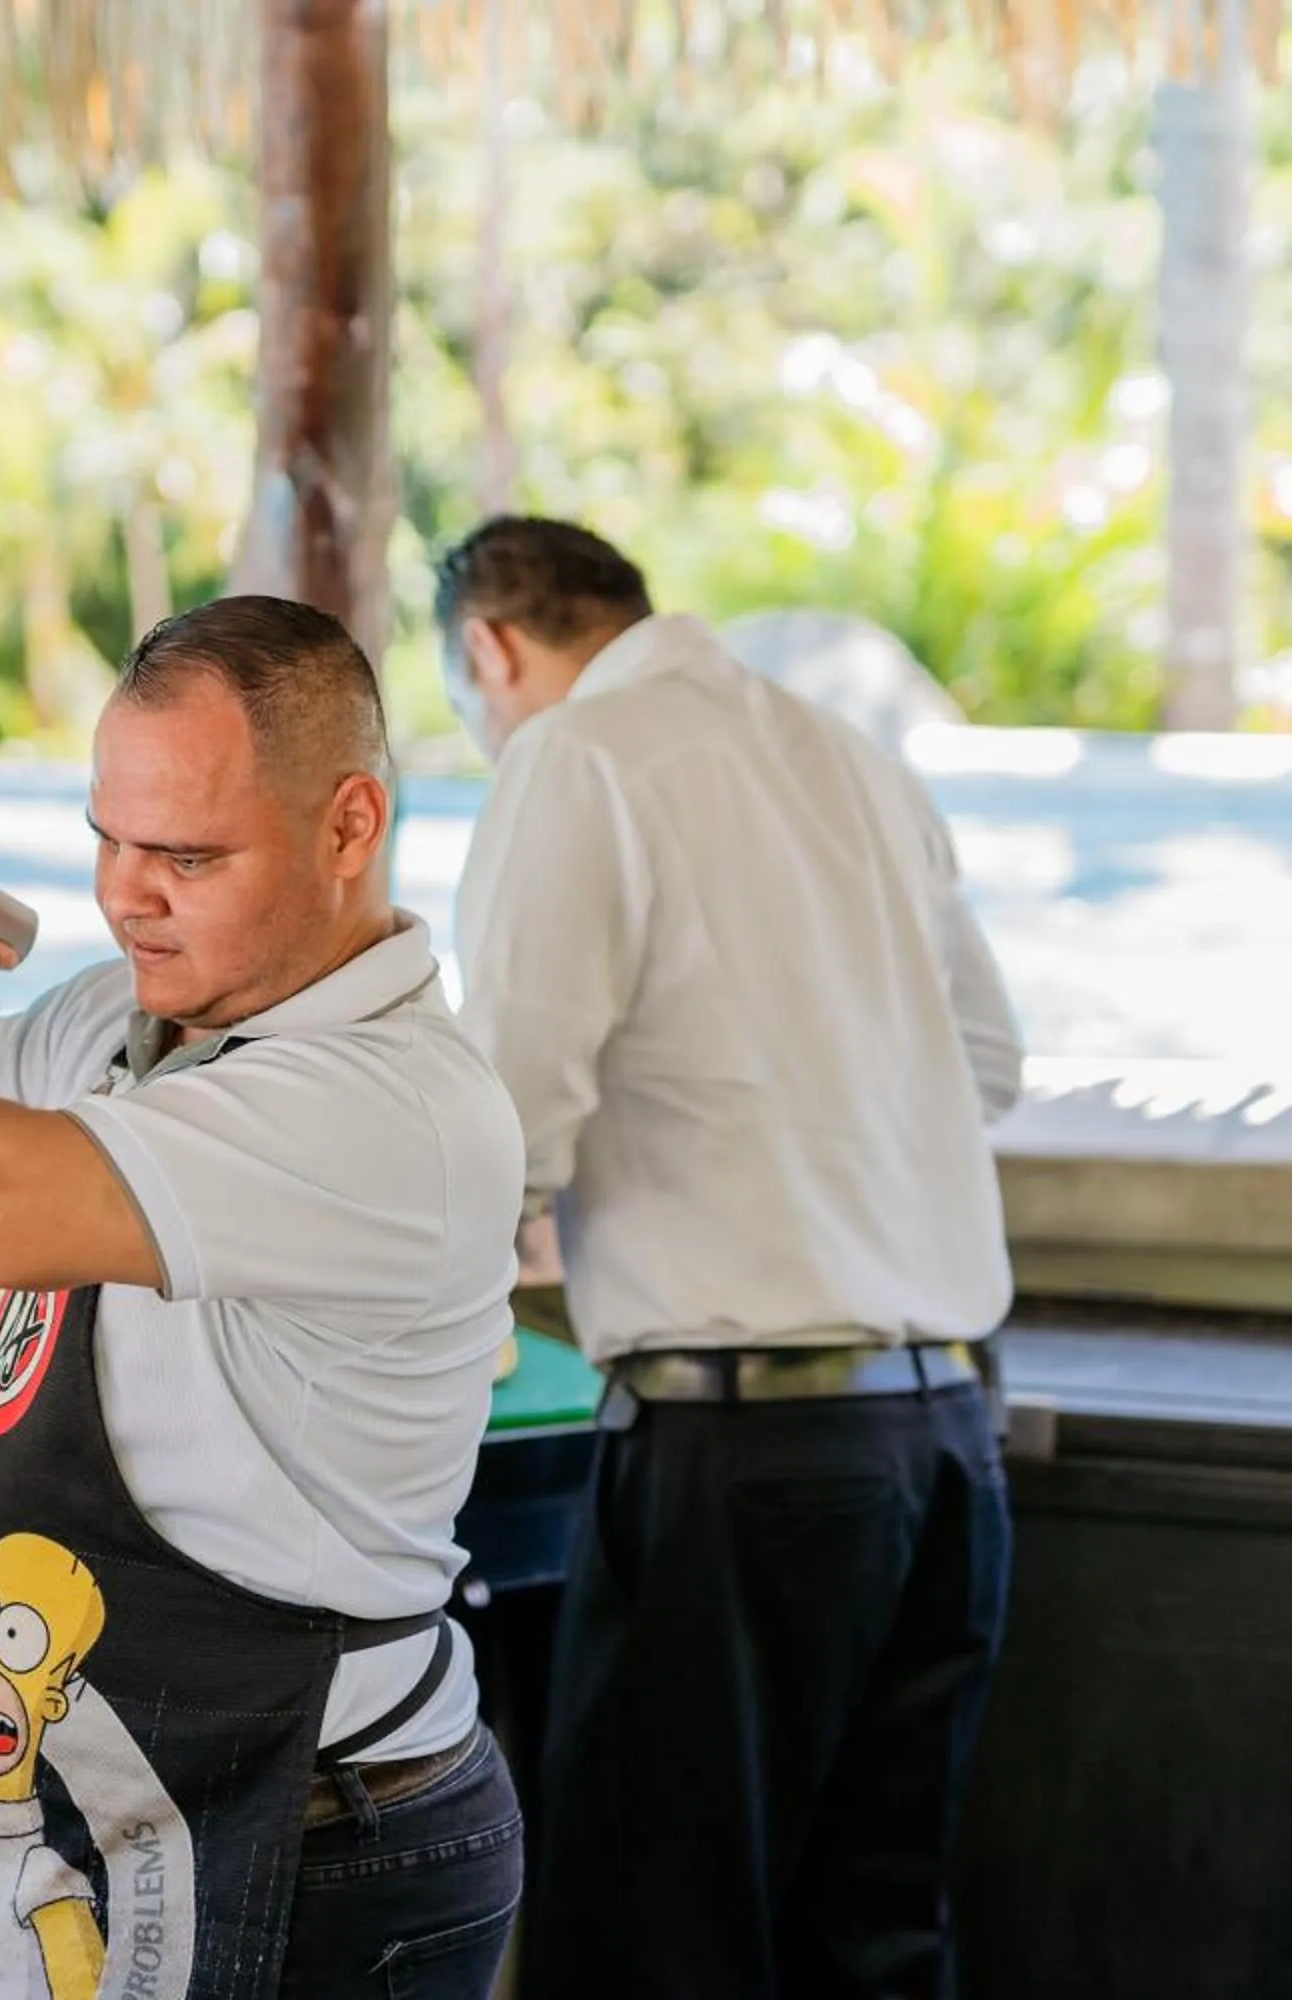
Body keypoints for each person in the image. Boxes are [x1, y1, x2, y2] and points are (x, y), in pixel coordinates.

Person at [0, 594, 527, 2000]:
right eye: (109, 839)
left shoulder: (387, 1102)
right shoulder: (114, 1021)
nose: (125, 895)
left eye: (185, 854)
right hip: (67, 1826)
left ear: (350, 825)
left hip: (310, 1843)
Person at [436, 517, 1025, 2000]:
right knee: (873, 1943)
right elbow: (985, 1066)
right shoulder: (853, 760)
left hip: (746, 1450)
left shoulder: (576, 758)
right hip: (948, 1441)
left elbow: (505, 1122)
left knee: (653, 1949)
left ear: (494, 650)